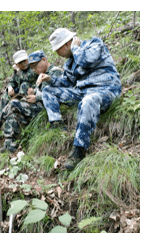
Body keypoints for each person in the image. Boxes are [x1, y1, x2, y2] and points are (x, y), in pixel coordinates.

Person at [38, 28, 122, 170]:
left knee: (88, 101)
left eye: (58, 49)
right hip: (83, 93)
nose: (57, 53)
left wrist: (75, 48)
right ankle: (57, 123)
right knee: (48, 90)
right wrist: (50, 79)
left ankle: (79, 150)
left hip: (106, 90)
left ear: (67, 45)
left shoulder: (94, 44)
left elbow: (86, 61)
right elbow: (68, 83)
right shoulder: (69, 63)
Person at [0, 50, 39, 152]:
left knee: (20, 92)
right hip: (18, 98)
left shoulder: (33, 68)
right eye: (20, 63)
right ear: (16, 64)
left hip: (29, 99)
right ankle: (9, 144)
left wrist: (18, 71)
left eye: (25, 61)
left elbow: (29, 79)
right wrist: (10, 87)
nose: (24, 64)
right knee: (7, 100)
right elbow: (11, 82)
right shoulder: (17, 71)